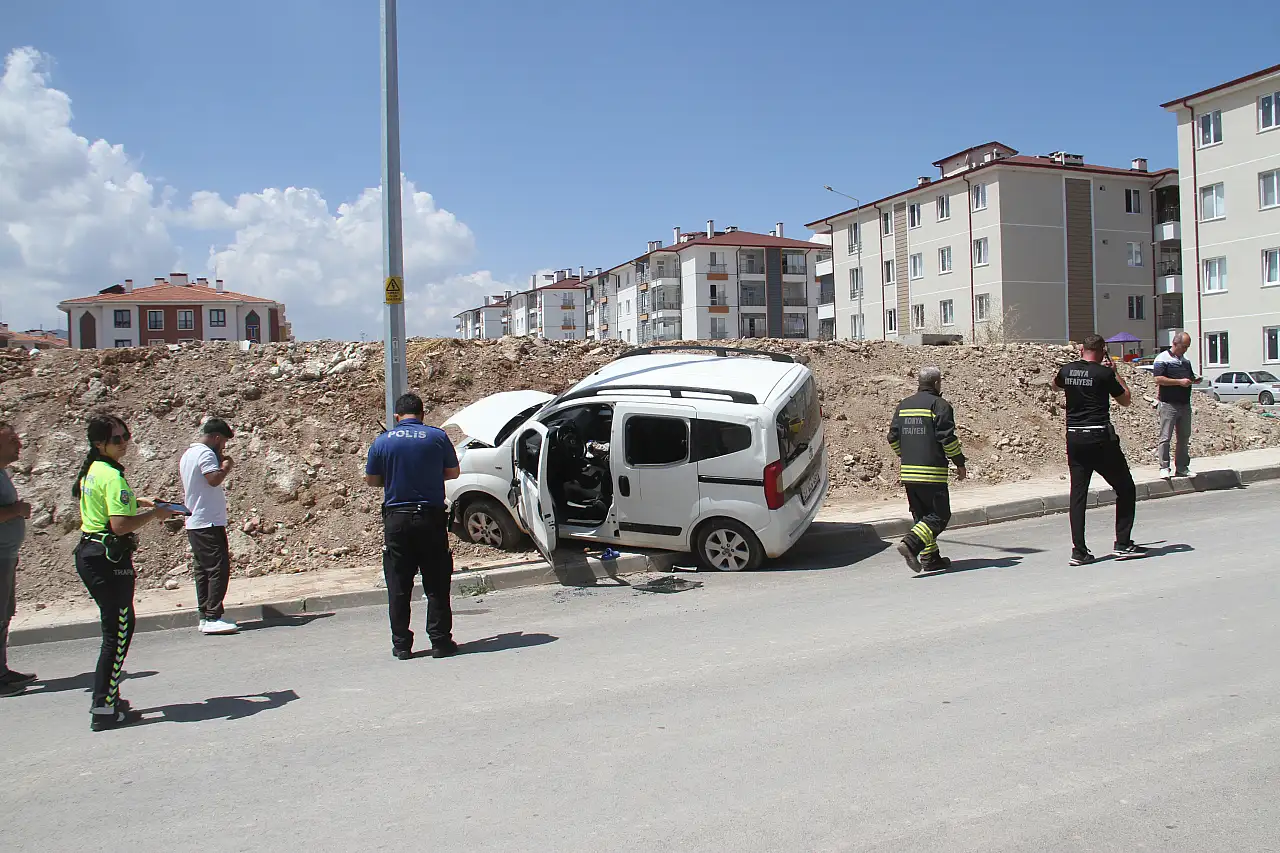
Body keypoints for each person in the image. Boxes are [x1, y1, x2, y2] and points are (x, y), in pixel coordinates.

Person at [73, 414, 178, 730]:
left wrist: (139, 500)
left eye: (125, 435)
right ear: (99, 443)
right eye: (117, 438)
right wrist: (155, 514)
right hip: (107, 560)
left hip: (93, 554)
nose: (124, 442)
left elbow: (104, 505)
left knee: (116, 631)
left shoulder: (96, 470)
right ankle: (103, 709)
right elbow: (119, 525)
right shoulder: (112, 477)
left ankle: (109, 700)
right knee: (118, 633)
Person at [364, 393, 461, 660]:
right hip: (431, 517)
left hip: (397, 519)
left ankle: (401, 645)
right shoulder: (437, 437)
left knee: (398, 584)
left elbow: (371, 480)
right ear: (422, 414)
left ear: (397, 417)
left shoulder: (383, 441)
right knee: (437, 582)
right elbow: (453, 473)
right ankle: (440, 642)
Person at [1054, 335, 1147, 566]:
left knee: (1078, 495)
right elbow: (1125, 400)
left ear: (1081, 349)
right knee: (1125, 488)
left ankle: (1079, 551)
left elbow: (1055, 385)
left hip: (1074, 436)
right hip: (1100, 437)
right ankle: (1122, 544)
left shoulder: (1066, 370)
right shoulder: (1104, 374)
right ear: (1103, 351)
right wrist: (1116, 372)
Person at [887, 366, 967, 575]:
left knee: (922, 516)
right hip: (931, 473)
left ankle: (930, 558)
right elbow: (947, 439)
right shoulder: (939, 405)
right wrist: (959, 462)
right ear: (937, 383)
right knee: (939, 516)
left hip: (909, 473)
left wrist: (904, 455)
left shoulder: (904, 405)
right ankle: (911, 544)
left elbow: (893, 438)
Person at [180, 417, 238, 635]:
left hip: (196, 521)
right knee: (217, 568)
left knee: (203, 570)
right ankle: (213, 616)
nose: (223, 447)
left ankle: (206, 615)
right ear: (215, 438)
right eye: (222, 442)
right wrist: (225, 467)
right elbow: (213, 479)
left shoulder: (189, 453)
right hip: (207, 522)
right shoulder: (205, 453)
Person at [0, 422, 35, 696]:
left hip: (7, 554)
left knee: (5, 615)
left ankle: (3, 670)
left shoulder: (3, 473)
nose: (19, 444)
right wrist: (17, 510)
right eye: (12, 440)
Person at [1152, 331, 1199, 479]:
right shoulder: (1162, 359)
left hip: (1185, 404)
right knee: (1165, 437)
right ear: (1175, 343)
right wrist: (1179, 382)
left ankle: (1182, 467)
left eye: (1187, 347)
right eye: (1183, 346)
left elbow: (1189, 376)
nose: (1185, 349)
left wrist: (1194, 379)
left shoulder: (1185, 361)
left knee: (1184, 437)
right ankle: (1164, 467)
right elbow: (1158, 379)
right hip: (1168, 404)